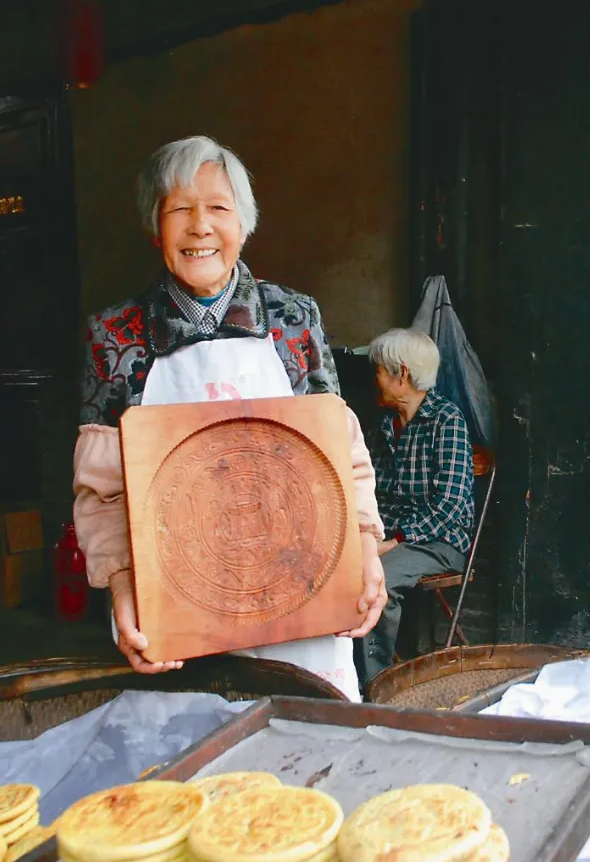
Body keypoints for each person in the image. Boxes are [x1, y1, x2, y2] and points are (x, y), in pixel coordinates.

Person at [71, 135, 385, 702]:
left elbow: (341, 453)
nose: (200, 227)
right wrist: (121, 591)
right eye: (179, 209)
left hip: (303, 601)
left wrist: (364, 550)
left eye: (218, 207)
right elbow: (104, 491)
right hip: (175, 614)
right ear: (154, 225)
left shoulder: (294, 316)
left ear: (244, 223)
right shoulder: (114, 336)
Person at [358, 328, 474, 683]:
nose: (373, 378)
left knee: (379, 581)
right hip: (392, 538)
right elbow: (372, 494)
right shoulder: (385, 426)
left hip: (439, 542)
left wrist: (393, 540)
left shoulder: (446, 421)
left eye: (377, 370)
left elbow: (450, 507)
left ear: (401, 375)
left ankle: (375, 685)